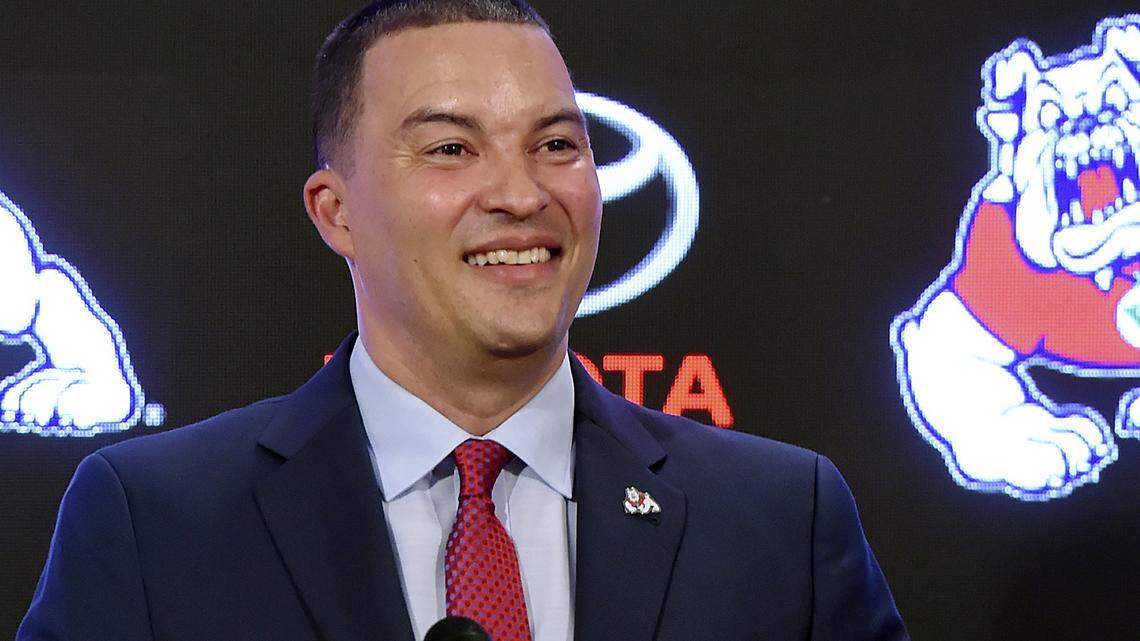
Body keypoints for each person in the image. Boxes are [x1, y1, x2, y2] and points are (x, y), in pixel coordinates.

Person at [17, 1, 908, 640]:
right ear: (336, 212)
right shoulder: (156, 523)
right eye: (451, 148)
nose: (522, 194)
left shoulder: (782, 521)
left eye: (557, 144)